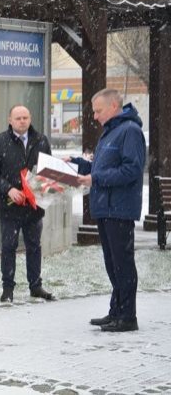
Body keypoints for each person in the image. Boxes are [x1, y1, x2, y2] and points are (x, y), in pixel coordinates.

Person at [68, 89, 146, 332]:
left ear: (114, 106)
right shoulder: (111, 132)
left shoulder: (130, 131)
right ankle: (116, 312)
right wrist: (76, 164)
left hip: (119, 209)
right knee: (113, 264)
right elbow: (102, 166)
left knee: (122, 264)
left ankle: (127, 317)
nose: (94, 116)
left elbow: (132, 170)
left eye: (98, 110)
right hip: (106, 208)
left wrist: (95, 179)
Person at [0, 104, 54, 303]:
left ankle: (36, 286)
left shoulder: (40, 140)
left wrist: (42, 188)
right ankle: (8, 288)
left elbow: (48, 171)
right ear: (10, 120)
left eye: (25, 117)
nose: (22, 121)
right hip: (10, 207)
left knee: (34, 246)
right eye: (18, 118)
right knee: (9, 247)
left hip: (34, 206)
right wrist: (8, 189)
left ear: (30, 119)